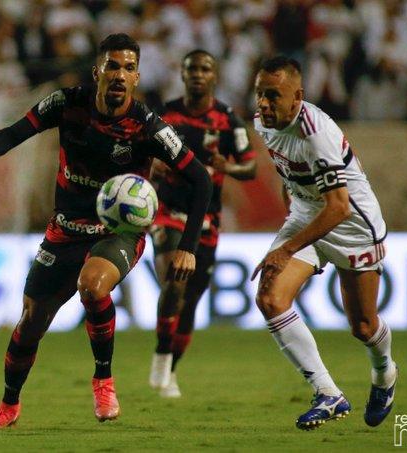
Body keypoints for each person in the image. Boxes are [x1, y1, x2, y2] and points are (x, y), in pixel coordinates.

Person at [0, 33, 212, 428]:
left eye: (128, 67)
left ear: (137, 77)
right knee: (31, 322)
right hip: (64, 229)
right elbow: (18, 130)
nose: (119, 74)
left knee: (93, 285)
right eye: (112, 66)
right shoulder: (68, 103)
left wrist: (188, 246)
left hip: (118, 232)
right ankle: (9, 405)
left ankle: (103, 379)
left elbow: (201, 180)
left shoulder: (146, 126)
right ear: (98, 72)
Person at [250, 56, 397, 430]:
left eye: (273, 96)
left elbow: (339, 207)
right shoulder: (263, 124)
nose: (264, 104)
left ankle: (385, 374)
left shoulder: (317, 135)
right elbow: (290, 175)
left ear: (298, 96)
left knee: (363, 327)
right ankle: (328, 393)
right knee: (270, 298)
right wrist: (291, 227)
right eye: (259, 95)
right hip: (306, 215)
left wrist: (284, 248)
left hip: (352, 228)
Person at [147, 49, 257, 397]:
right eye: (192, 68)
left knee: (191, 300)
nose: (198, 74)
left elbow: (250, 167)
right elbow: (142, 151)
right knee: (173, 279)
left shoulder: (228, 121)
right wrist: (153, 164)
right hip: (166, 209)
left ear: (214, 76)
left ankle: (171, 369)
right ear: (182, 74)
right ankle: (162, 352)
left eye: (205, 69)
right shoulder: (166, 114)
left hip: (206, 217)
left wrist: (229, 168)